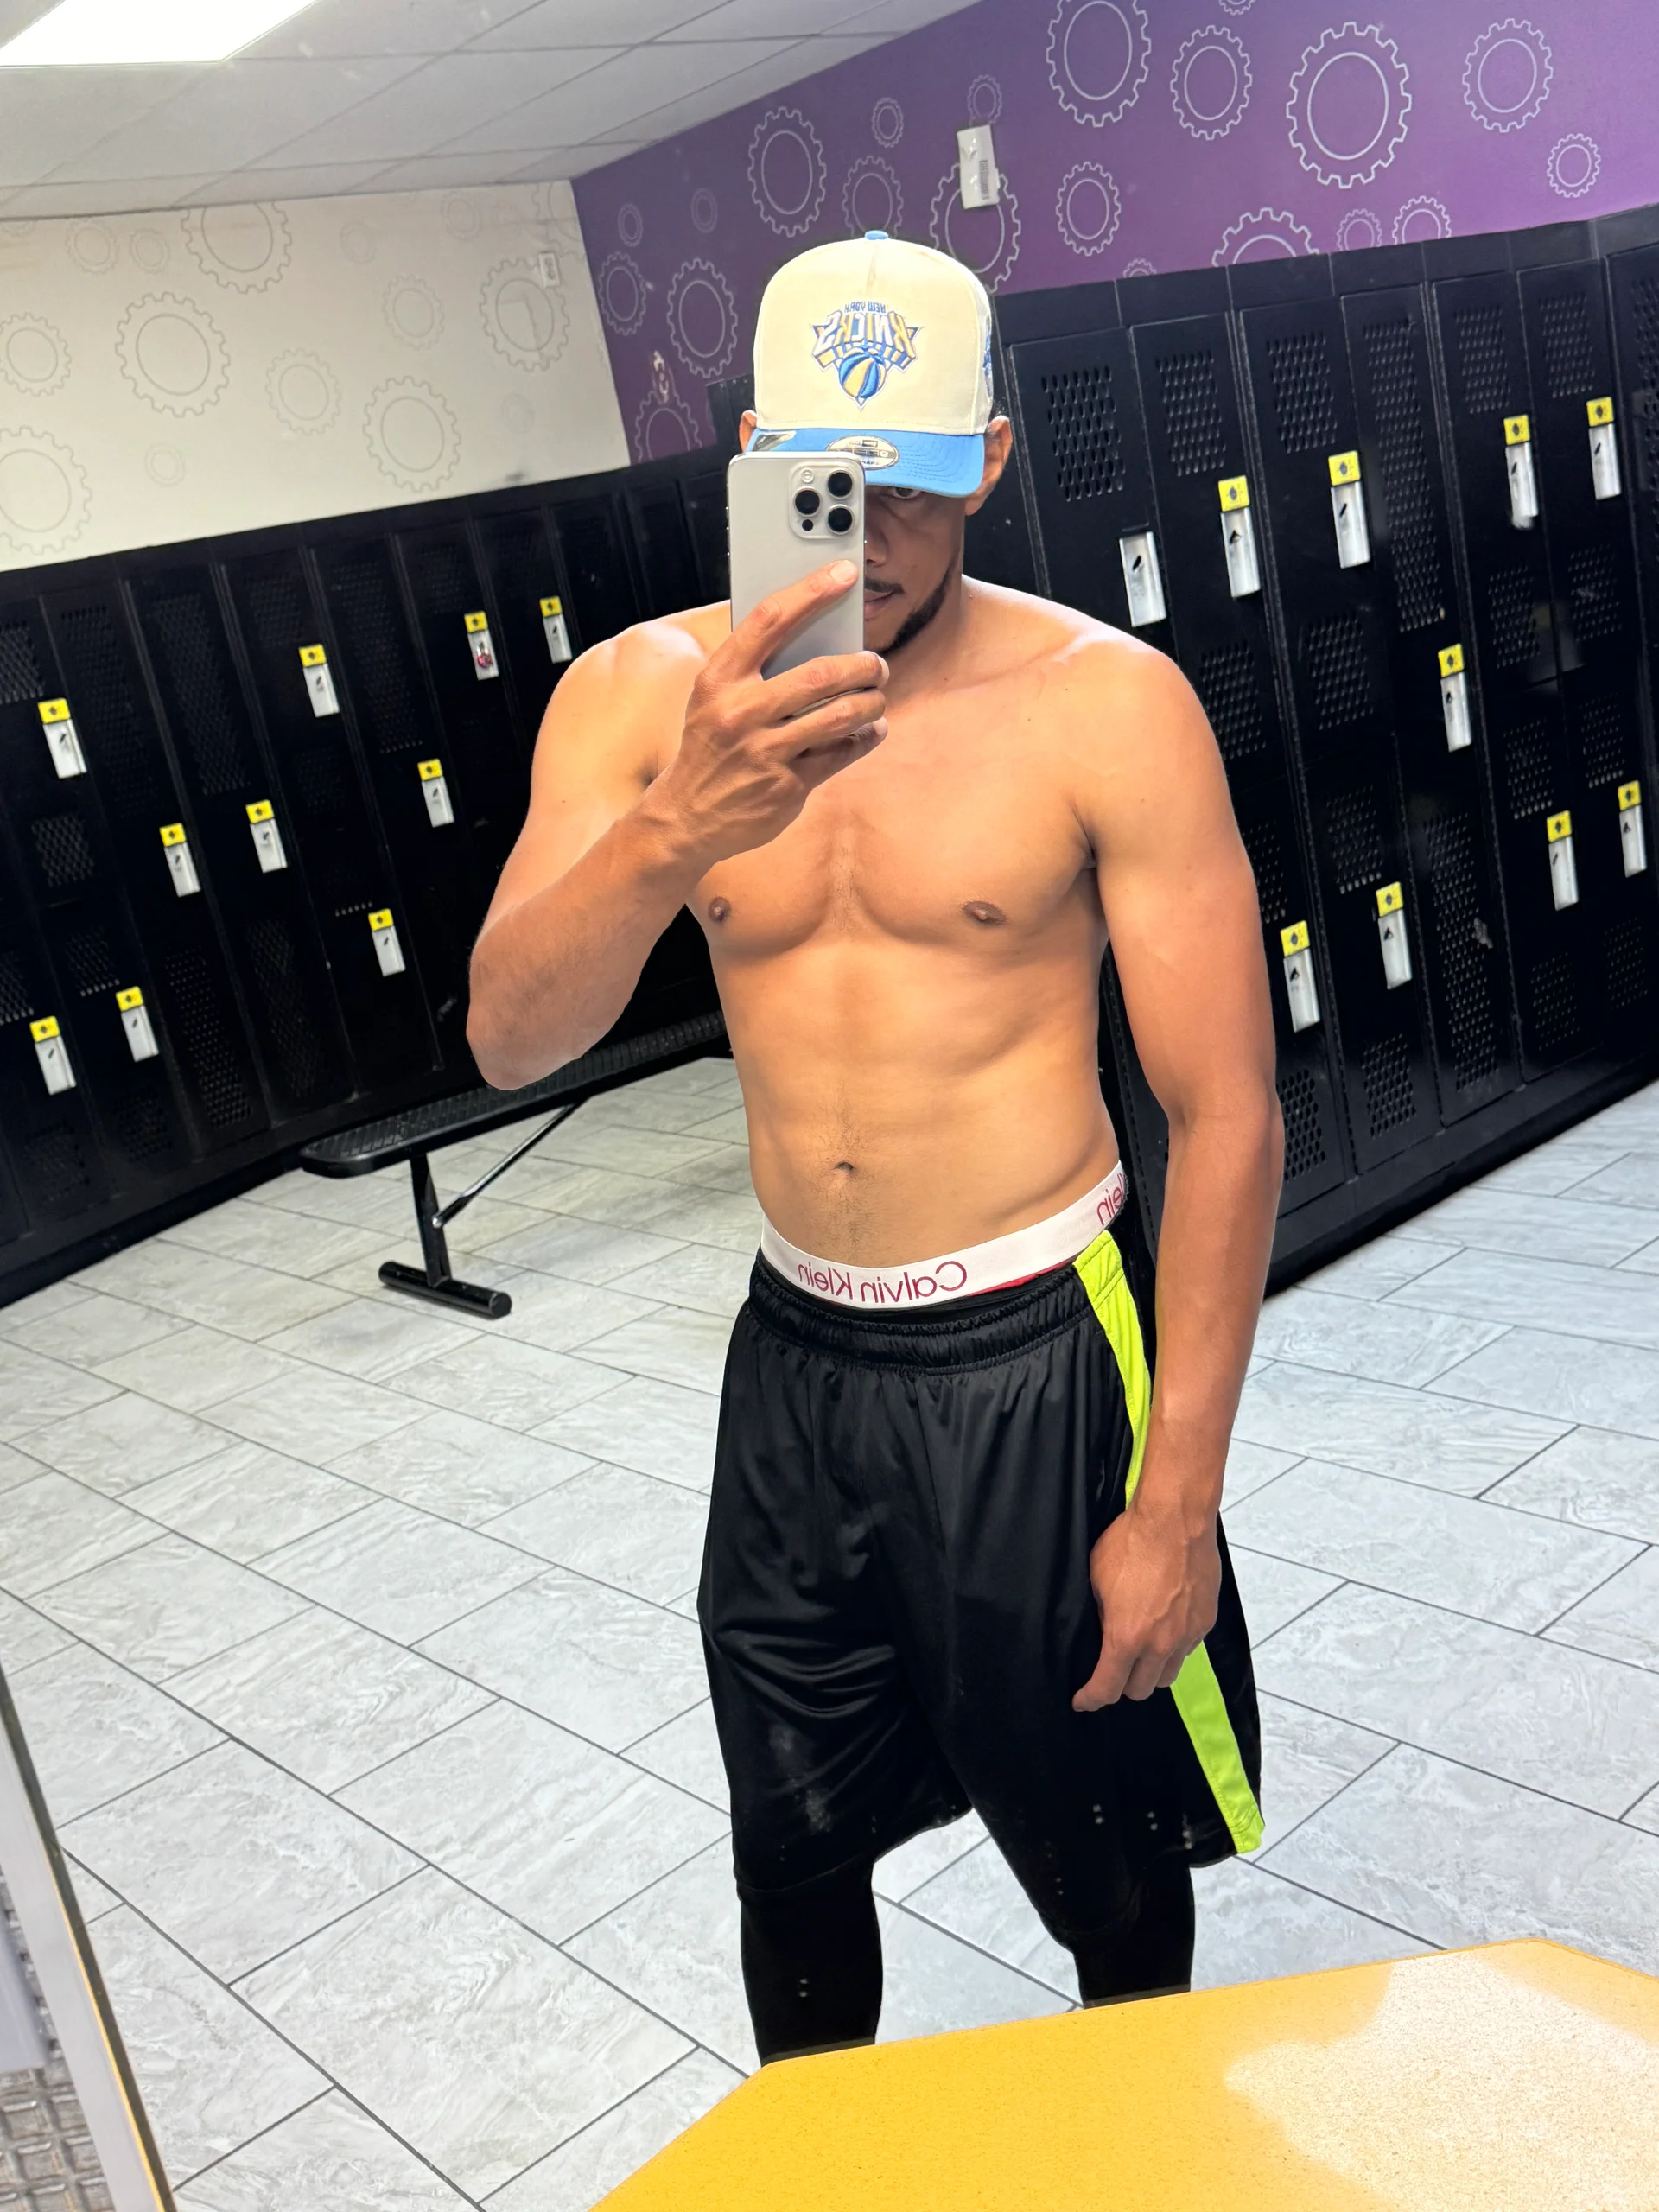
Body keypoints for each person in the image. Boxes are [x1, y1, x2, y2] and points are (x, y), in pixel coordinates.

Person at [468, 231, 1281, 2061]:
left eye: (913, 483)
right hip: (797, 1363)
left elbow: (1226, 1112)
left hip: (1039, 1348)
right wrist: (679, 827)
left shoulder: (1104, 706)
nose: (870, 537)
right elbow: (513, 1036)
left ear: (988, 459)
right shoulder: (634, 699)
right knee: (792, 1846)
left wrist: (1177, 1503)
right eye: (828, 484)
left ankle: (1139, 2149)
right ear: (756, 456)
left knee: (1101, 1845)